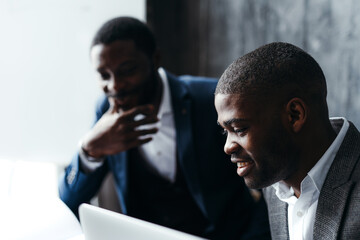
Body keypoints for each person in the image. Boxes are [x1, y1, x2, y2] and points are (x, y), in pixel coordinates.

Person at [59, 17, 270, 240]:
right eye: (104, 75)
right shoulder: (106, 111)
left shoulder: (209, 100)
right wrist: (90, 149)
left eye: (127, 70)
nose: (115, 85)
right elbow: (67, 204)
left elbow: (269, 185)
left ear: (155, 59)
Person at [215, 41, 360, 240]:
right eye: (225, 131)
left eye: (239, 129)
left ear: (295, 115)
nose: (227, 147)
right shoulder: (274, 181)